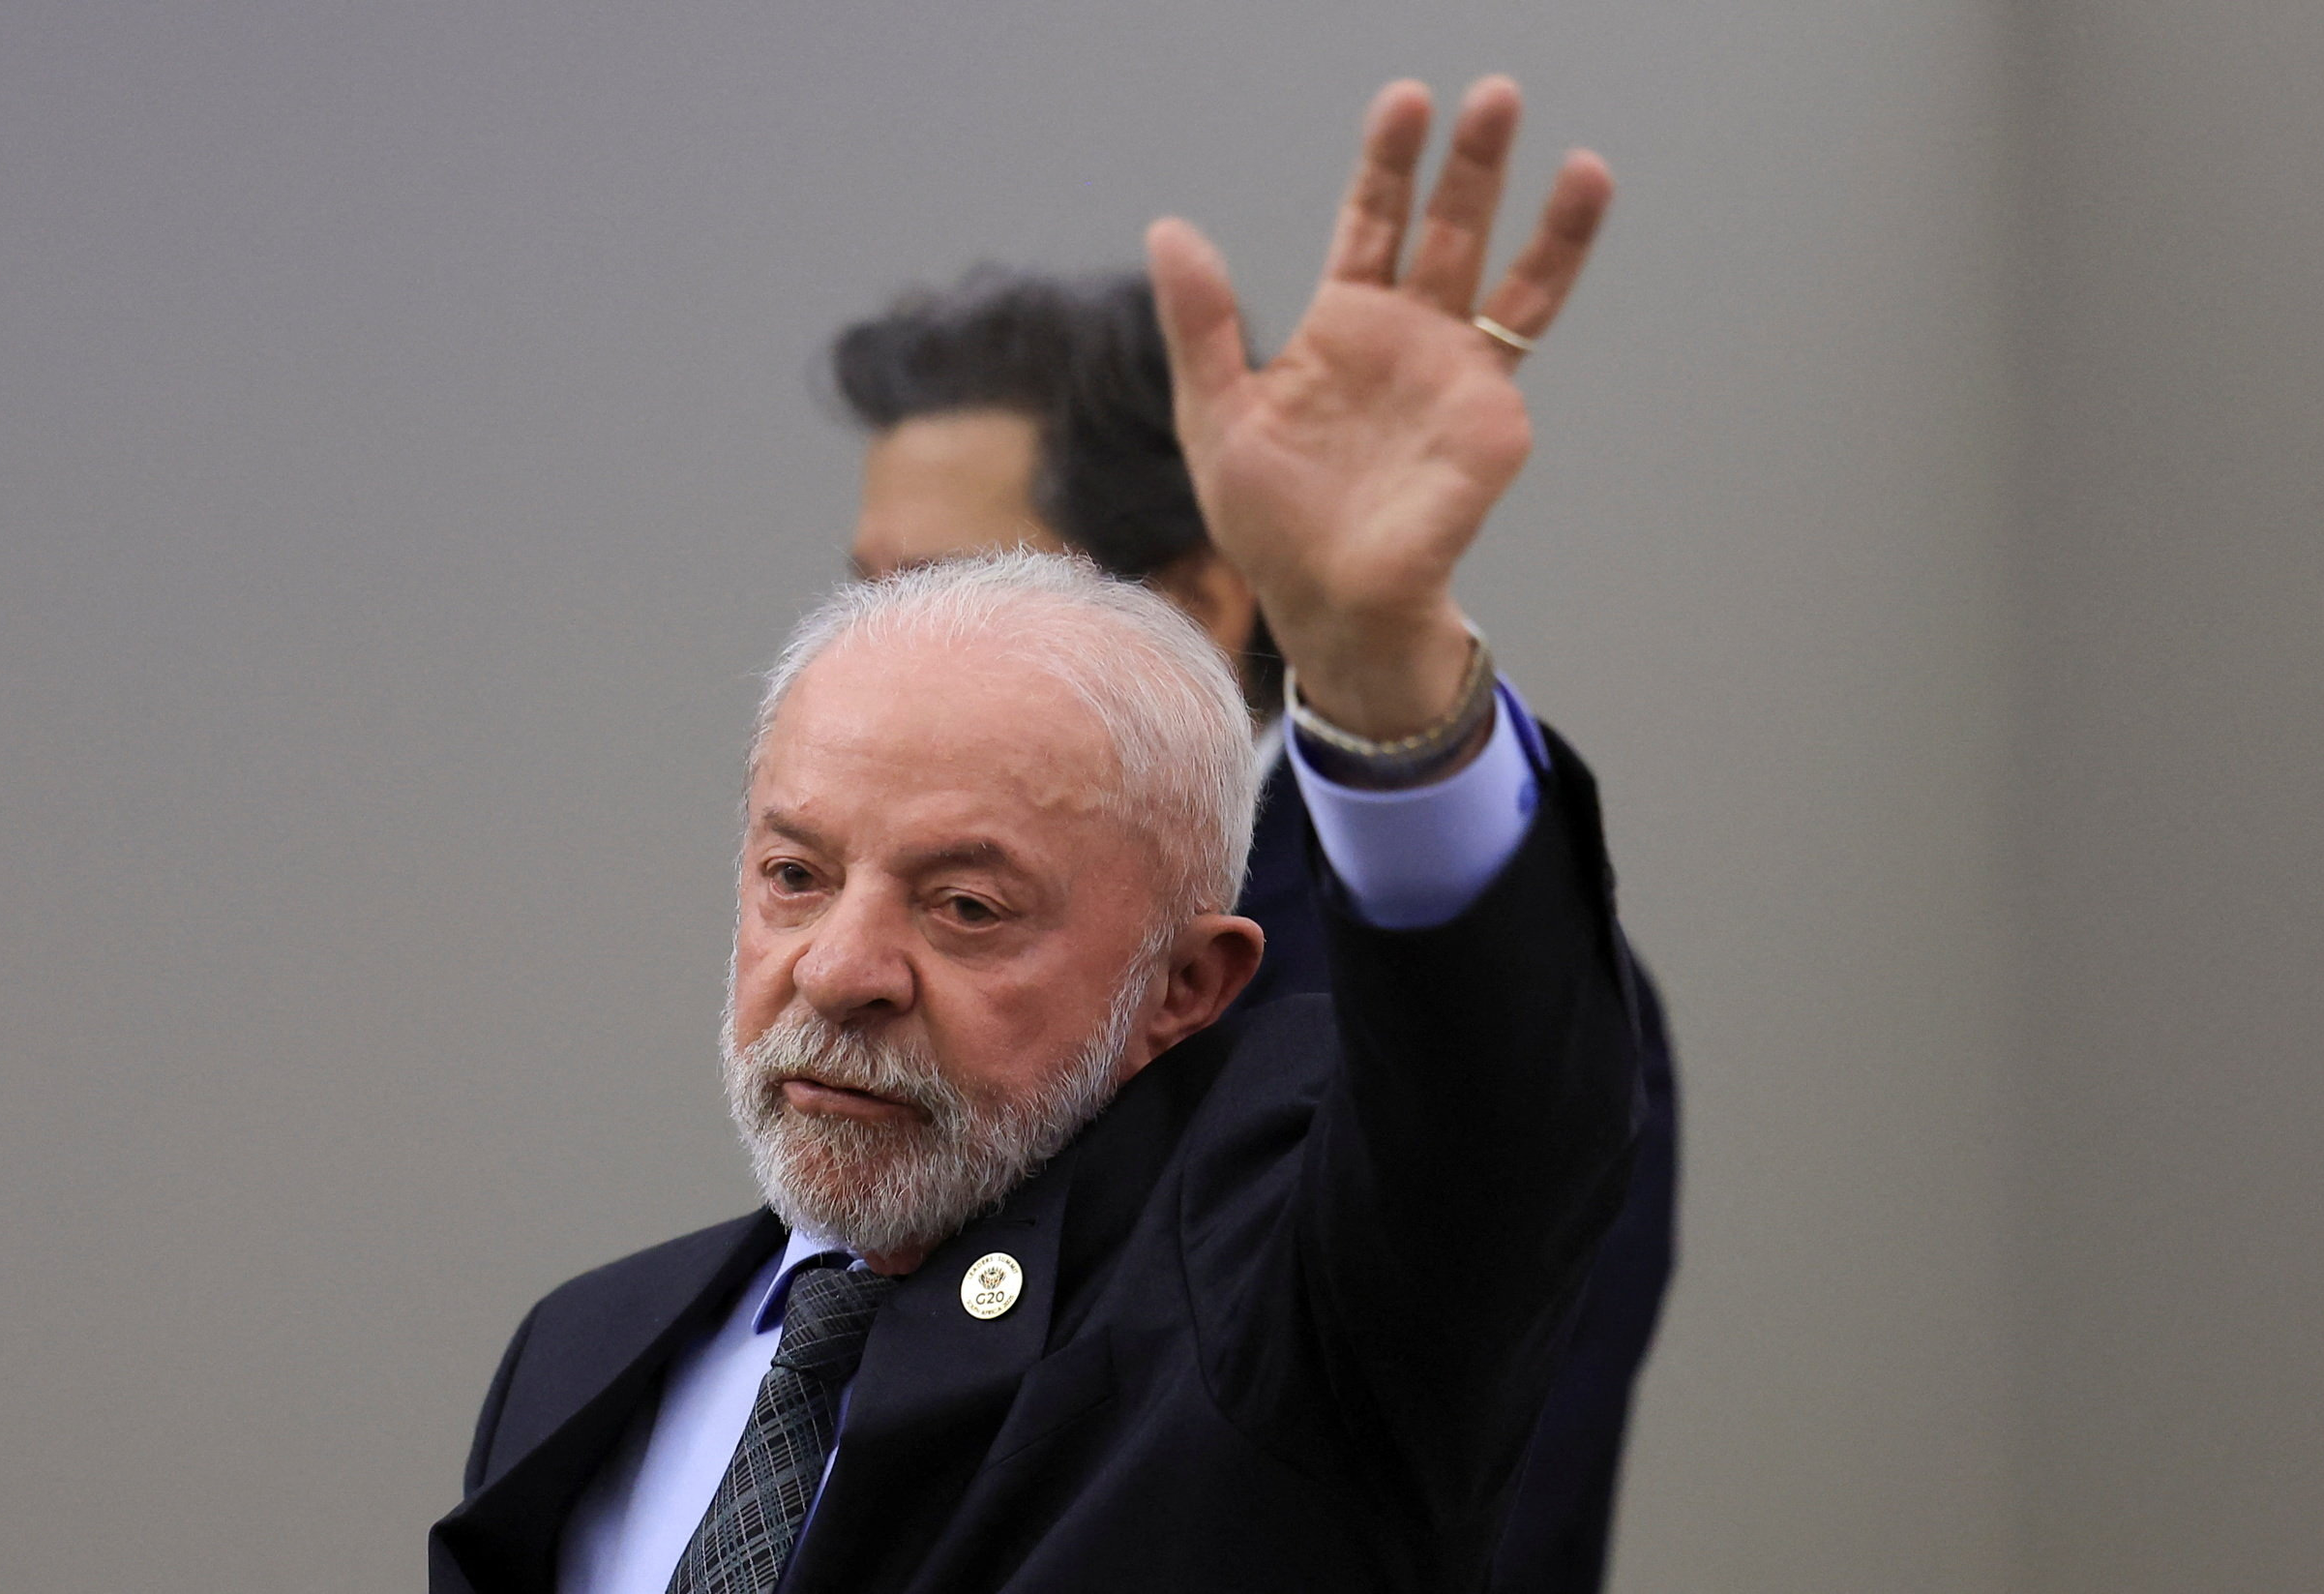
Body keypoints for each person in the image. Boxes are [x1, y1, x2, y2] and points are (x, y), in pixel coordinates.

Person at [433, 76, 1645, 1594]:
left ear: (1190, 986)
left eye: (966, 908)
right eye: (794, 875)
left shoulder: (1264, 1284)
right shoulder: (583, 1352)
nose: (843, 970)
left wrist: (1376, 662)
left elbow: (1484, 1139)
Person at [826, 160, 1677, 1594]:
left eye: (953, 587)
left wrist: (1388, 684)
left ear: (1193, 603)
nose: (874, 650)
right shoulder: (870, 953)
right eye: (862, 590)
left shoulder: (1411, 1006)